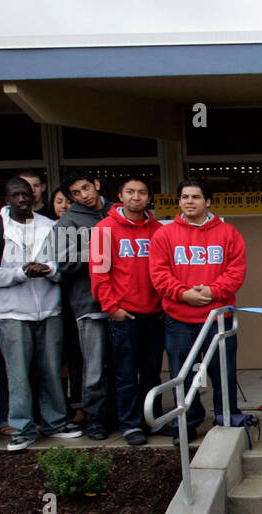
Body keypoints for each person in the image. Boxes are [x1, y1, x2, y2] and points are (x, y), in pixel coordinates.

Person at [0, 177, 81, 450]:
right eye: (15, 195)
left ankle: (56, 422)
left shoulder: (53, 226)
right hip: (12, 312)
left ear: (34, 195)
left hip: (49, 309)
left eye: (25, 194)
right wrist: (19, 273)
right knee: (18, 373)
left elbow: (67, 265)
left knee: (52, 370)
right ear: (6, 198)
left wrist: (49, 270)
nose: (21, 199)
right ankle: (21, 427)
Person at [150, 176, 247, 443]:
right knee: (186, 373)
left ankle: (227, 419)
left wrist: (212, 292)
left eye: (195, 197)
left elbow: (235, 272)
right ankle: (188, 422)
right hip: (179, 320)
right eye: (184, 197)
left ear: (208, 201)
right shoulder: (164, 234)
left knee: (222, 373)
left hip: (219, 319)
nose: (189, 202)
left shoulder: (228, 233)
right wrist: (182, 294)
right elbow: (159, 274)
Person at [90, 175, 165, 447]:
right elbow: (99, 275)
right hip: (124, 315)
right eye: (130, 192)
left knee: (151, 373)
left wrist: (163, 305)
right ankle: (130, 424)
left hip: (154, 314)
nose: (136, 197)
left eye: (142, 192)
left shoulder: (159, 230)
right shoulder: (103, 230)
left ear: (148, 197)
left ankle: (152, 420)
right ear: (119, 196)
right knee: (124, 374)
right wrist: (113, 308)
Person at [56, 168, 113, 440]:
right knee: (94, 367)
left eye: (86, 188)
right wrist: (98, 247)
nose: (83, 195)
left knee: (124, 365)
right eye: (76, 193)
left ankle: (124, 416)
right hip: (89, 305)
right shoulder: (67, 222)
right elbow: (63, 262)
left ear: (97, 184)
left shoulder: (118, 212)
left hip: (126, 302)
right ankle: (95, 418)